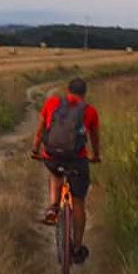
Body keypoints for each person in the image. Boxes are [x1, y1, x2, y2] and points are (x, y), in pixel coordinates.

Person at [31, 77, 101, 264]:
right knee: (78, 202)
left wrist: (35, 150)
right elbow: (94, 138)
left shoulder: (52, 102)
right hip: (77, 160)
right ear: (84, 93)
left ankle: (54, 206)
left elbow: (39, 131)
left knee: (55, 173)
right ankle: (76, 247)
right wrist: (96, 156)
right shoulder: (90, 111)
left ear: (67, 90)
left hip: (52, 156)